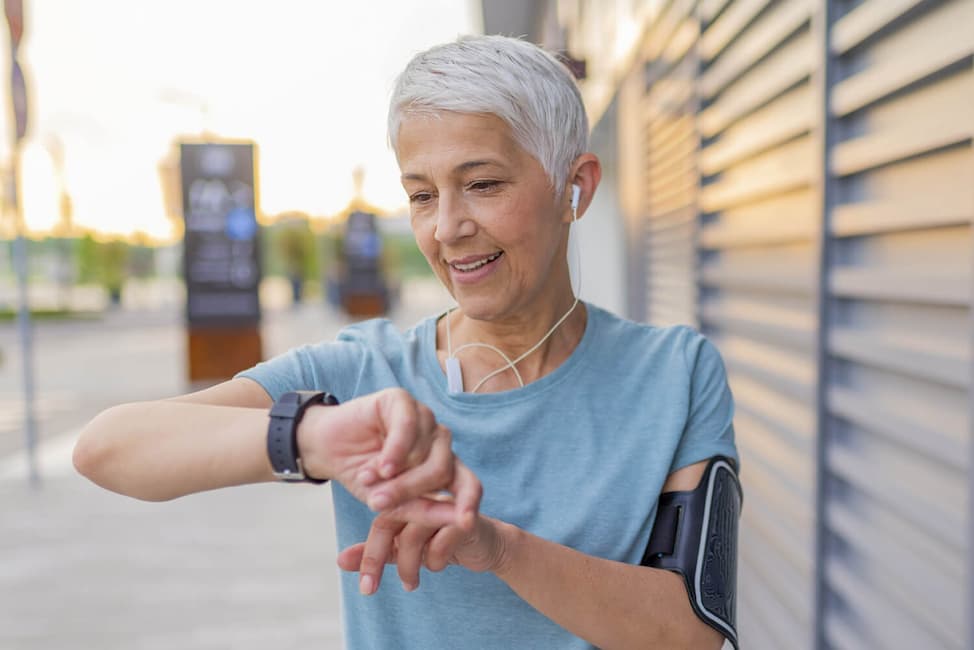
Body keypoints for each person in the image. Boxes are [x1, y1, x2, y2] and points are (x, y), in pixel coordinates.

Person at [74, 34, 740, 650]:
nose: (448, 227)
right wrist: (313, 437)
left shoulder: (674, 374)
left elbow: (693, 632)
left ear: (576, 186)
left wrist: (498, 548)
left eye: (482, 184)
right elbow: (106, 448)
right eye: (422, 195)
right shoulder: (358, 373)